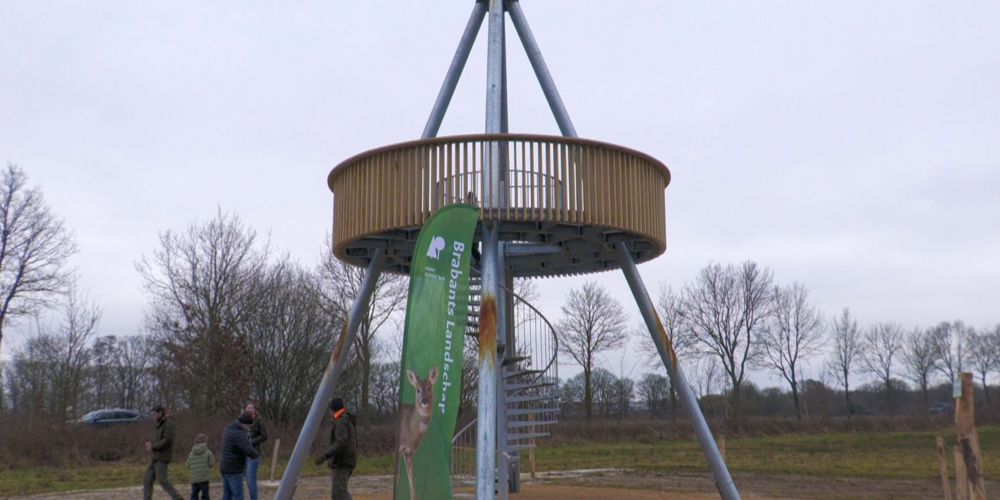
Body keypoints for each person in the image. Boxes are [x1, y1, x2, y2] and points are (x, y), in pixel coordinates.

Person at [314, 397, 357, 500]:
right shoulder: (346, 419)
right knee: (336, 494)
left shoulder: (341, 421)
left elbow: (341, 442)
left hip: (342, 461)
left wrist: (325, 456)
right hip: (345, 460)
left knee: (340, 493)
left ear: (332, 409)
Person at [143, 405, 184, 500]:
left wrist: (153, 446)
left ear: (161, 413)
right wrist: (151, 445)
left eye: (155, 414)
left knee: (162, 480)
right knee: (147, 479)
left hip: (162, 457)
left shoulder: (169, 424)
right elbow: (159, 440)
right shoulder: (159, 424)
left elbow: (168, 440)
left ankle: (178, 498)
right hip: (155, 456)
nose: (153, 416)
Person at [220, 411, 260, 500]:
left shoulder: (228, 428)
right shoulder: (239, 433)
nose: (249, 428)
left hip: (224, 467)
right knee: (238, 495)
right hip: (234, 469)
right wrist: (257, 456)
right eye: (249, 426)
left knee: (227, 495)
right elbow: (248, 449)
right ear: (245, 424)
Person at [244, 403, 267, 500]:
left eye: (251, 408)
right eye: (248, 408)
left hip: (254, 454)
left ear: (254, 410)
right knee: (246, 479)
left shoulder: (259, 422)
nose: (249, 409)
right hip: (244, 454)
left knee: (251, 479)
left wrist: (252, 442)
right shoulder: (242, 422)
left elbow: (264, 436)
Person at [187, 433, 215, 500]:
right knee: (205, 495)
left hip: (194, 478)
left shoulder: (191, 453)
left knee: (194, 495)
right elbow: (211, 464)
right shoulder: (208, 452)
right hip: (204, 478)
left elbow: (187, 465)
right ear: (205, 441)